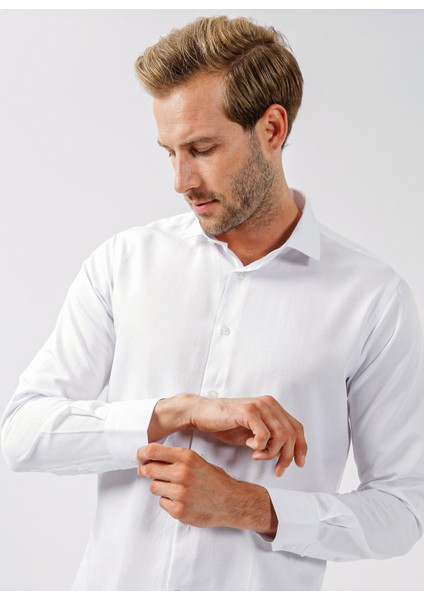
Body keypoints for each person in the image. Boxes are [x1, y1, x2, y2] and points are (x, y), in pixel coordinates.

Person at [1, 15, 423, 591]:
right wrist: (178, 412)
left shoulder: (372, 299)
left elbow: (402, 511)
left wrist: (252, 506)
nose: (181, 181)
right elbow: (23, 433)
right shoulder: (123, 263)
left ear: (272, 128)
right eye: (169, 152)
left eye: (201, 149)